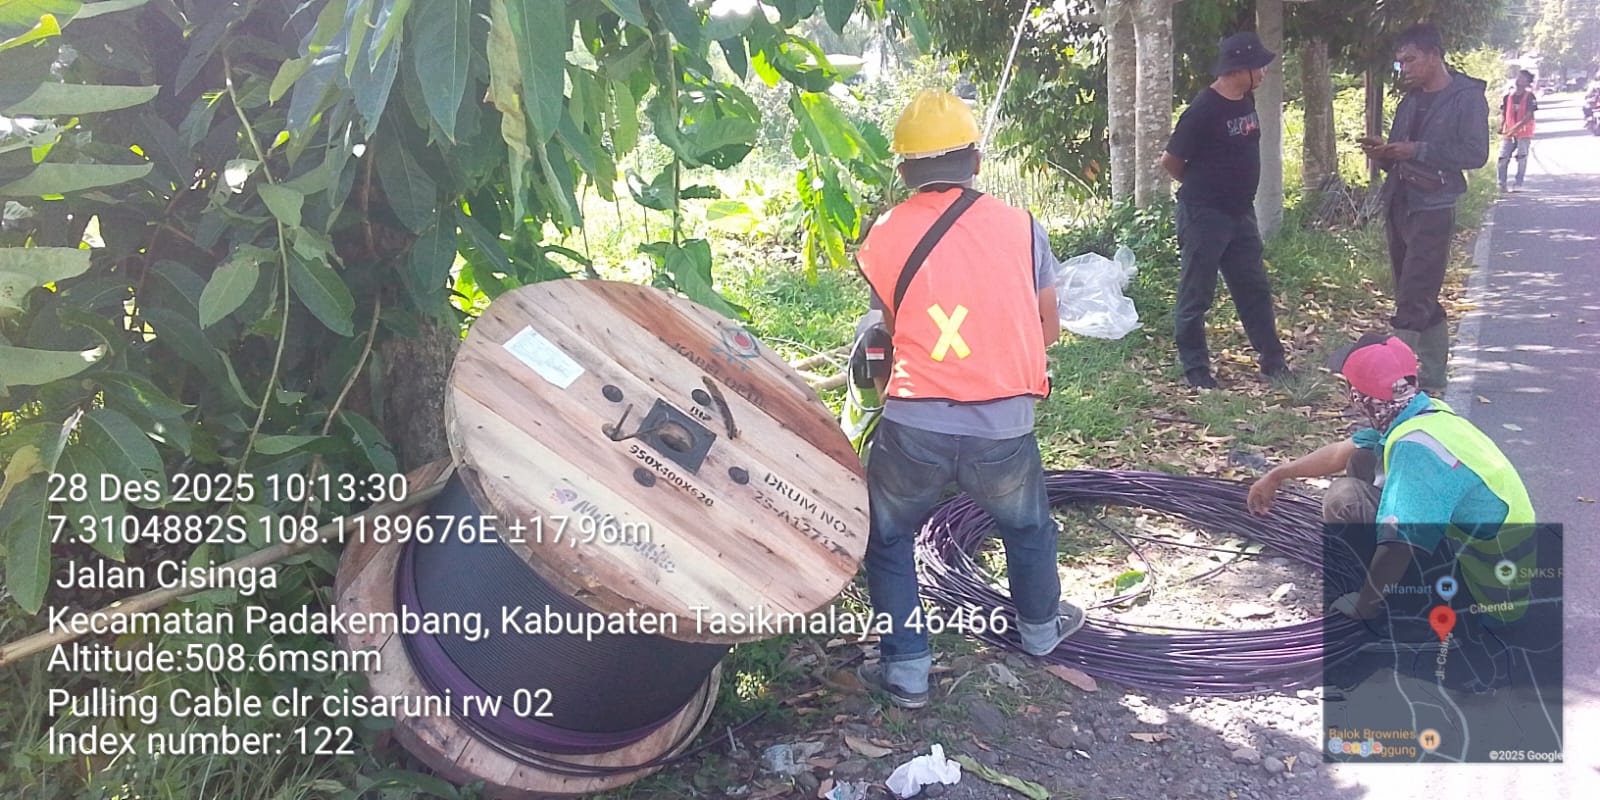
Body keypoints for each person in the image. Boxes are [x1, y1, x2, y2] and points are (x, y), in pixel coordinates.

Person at [853, 89, 1084, 709]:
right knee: (1028, 526)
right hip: (1002, 425)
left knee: (889, 538)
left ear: (903, 171)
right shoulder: (1022, 227)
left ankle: (907, 671)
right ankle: (1041, 631)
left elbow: (889, 327)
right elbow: (1048, 329)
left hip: (913, 423)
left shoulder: (883, 234)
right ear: (977, 162)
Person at [1246, 334, 1534, 622]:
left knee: (1344, 497)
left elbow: (1400, 543)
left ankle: (1400, 604)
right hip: (1492, 564)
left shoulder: (1414, 448)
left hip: (1484, 597)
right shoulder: (1423, 413)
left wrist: (1364, 606)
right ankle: (1390, 584)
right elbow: (1339, 453)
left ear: (1358, 396)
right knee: (1362, 458)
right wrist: (1278, 475)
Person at [1358, 24, 1489, 395]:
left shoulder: (1466, 97)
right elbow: (1400, 154)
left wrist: (1418, 150)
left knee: (1413, 296)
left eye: (1411, 59)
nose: (1405, 68)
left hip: (1434, 205)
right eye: (1400, 62)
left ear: (1434, 55)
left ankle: (1392, 385)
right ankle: (1433, 377)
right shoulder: (1411, 100)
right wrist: (1384, 152)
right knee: (1416, 290)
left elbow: (1475, 153)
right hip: (1400, 201)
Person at [1160, 31, 1291, 390]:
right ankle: (1196, 370)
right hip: (1204, 214)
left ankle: (1274, 361)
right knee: (1197, 293)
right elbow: (1170, 161)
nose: (1263, 72)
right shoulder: (1202, 110)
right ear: (1237, 69)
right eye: (1258, 66)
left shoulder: (1246, 99)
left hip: (1240, 213)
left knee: (1254, 288)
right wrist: (1203, 186)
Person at [1497, 70, 1538, 192]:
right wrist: (1502, 126)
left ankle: (1518, 183)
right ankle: (1501, 183)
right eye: (1518, 76)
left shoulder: (1529, 96)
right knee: (1502, 158)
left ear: (1527, 82)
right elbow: (1504, 113)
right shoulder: (1508, 97)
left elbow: (1529, 116)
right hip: (1509, 133)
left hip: (1523, 132)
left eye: (1522, 78)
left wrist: (1515, 128)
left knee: (1521, 158)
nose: (1519, 79)